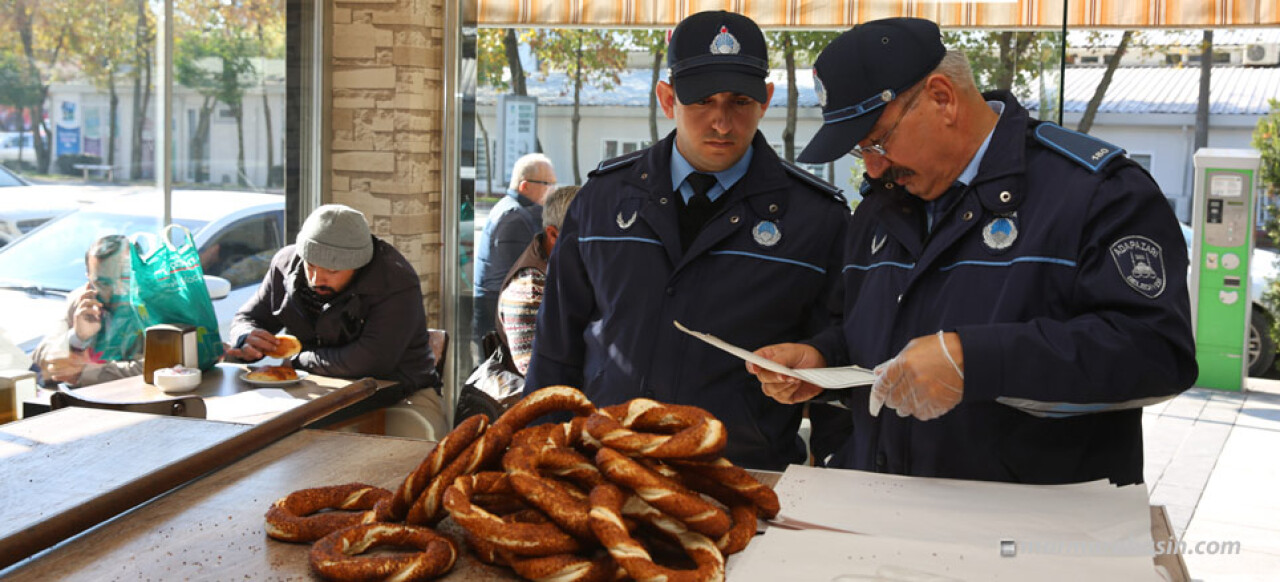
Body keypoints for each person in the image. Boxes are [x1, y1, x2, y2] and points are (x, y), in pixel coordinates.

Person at [748, 18, 1196, 485]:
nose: (876, 166)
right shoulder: (881, 208)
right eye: (862, 152)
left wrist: (976, 361)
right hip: (885, 511)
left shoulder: (1096, 194)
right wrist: (821, 360)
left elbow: (1157, 354)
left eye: (878, 141)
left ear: (942, 97)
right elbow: (865, 331)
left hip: (1029, 528)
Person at [524, 10, 850, 471]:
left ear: (766, 100)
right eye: (701, 101)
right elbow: (556, 351)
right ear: (667, 98)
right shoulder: (601, 201)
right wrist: (539, 458)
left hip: (741, 475)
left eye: (739, 101)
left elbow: (844, 347)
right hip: (604, 470)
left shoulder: (818, 219)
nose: (721, 122)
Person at [225, 204, 446, 437]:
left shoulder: (395, 280)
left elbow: (371, 360)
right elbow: (248, 317)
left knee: (409, 454)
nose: (316, 278)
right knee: (255, 439)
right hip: (310, 390)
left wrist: (297, 360)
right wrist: (246, 337)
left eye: (331, 271)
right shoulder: (285, 264)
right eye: (310, 265)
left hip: (402, 393)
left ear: (358, 264)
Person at [473, 153, 557, 361]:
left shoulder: (511, 209)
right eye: (547, 184)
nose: (553, 190)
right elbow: (522, 275)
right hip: (500, 312)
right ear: (524, 186)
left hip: (496, 307)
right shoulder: (516, 217)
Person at [32, 234, 144, 386]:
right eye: (104, 283)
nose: (117, 291)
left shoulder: (160, 306)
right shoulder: (82, 301)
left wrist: (84, 373)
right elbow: (41, 356)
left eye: (125, 279)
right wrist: (77, 336)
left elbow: (156, 369)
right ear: (89, 280)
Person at [496, 185, 581, 374]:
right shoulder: (528, 288)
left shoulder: (566, 269)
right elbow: (536, 374)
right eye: (586, 233)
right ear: (553, 235)